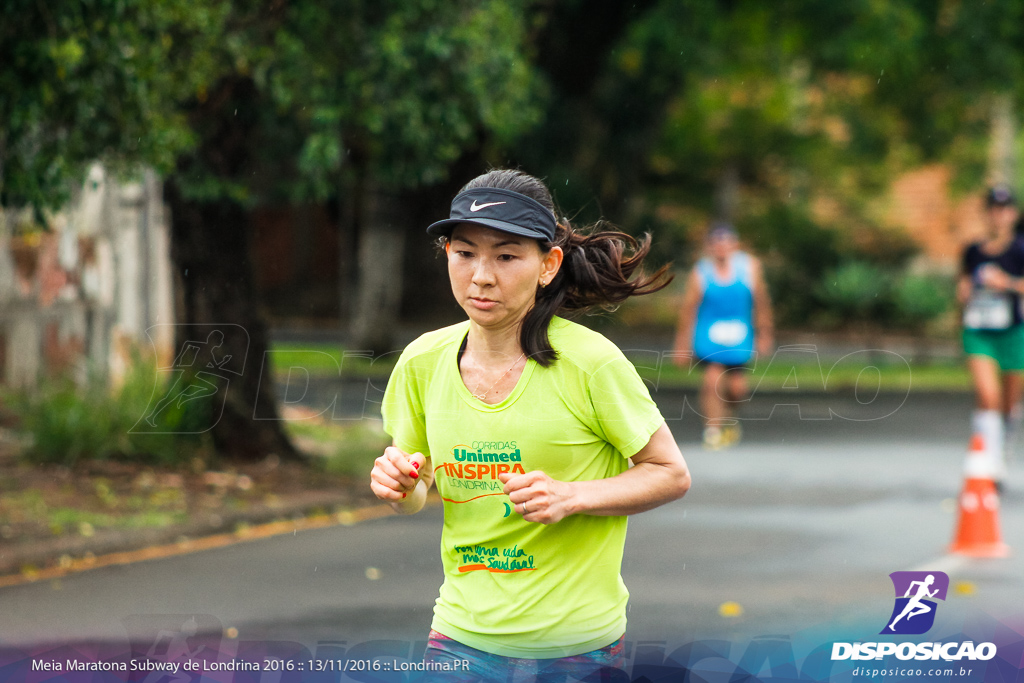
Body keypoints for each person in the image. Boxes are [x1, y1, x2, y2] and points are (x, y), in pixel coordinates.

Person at [371, 169, 691, 681]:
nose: (481, 274)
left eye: (506, 255)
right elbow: (414, 482)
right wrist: (399, 486)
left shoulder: (591, 364)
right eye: (464, 252)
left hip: (575, 647)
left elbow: (670, 472)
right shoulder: (422, 361)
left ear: (548, 265)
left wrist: (572, 496)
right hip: (459, 637)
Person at [672, 221, 773, 450]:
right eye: (716, 244)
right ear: (709, 247)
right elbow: (689, 309)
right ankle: (712, 430)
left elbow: (761, 302)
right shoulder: (701, 272)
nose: (721, 248)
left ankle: (728, 418)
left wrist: (765, 332)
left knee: (737, 389)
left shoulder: (750, 267)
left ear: (734, 245)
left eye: (726, 243)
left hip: (739, 333)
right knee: (712, 380)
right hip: (709, 334)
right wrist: (681, 345)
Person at [958, 184, 1024, 485]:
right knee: (988, 395)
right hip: (979, 331)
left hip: (1012, 332)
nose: (998, 216)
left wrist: (1006, 284)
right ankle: (990, 460)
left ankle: (1004, 440)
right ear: (986, 214)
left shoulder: (1020, 249)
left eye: (1004, 209)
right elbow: (962, 286)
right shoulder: (972, 251)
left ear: (1013, 214)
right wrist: (965, 292)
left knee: (1008, 402)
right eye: (993, 210)